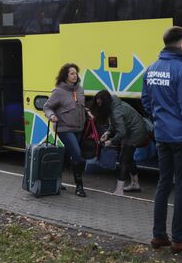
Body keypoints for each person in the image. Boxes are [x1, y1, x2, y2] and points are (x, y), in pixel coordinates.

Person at [142, 26, 182, 253]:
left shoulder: (152, 68)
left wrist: (160, 119)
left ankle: (159, 235)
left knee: (163, 184)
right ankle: (178, 238)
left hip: (162, 135)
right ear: (181, 44)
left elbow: (146, 102)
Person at [91, 90, 148, 195]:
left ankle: (119, 190)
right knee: (128, 158)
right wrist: (108, 132)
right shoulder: (113, 105)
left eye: (100, 103)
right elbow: (116, 123)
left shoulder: (116, 111)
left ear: (105, 102)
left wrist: (110, 142)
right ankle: (135, 184)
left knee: (123, 160)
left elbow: (121, 132)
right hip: (134, 130)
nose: (99, 106)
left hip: (135, 133)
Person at [43, 63, 88, 197]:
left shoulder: (80, 89)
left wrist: (87, 112)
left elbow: (79, 106)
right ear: (65, 76)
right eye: (72, 73)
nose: (75, 76)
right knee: (78, 155)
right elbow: (47, 107)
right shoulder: (59, 91)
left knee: (68, 156)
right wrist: (51, 116)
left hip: (78, 128)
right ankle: (79, 186)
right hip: (64, 128)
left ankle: (55, 180)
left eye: (76, 73)